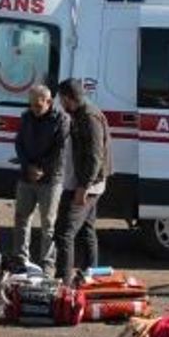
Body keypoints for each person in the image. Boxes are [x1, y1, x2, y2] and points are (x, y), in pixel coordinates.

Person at [53, 78, 112, 285]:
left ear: (68, 98)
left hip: (87, 184)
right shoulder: (79, 114)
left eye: (61, 98)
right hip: (84, 182)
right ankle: (91, 275)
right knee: (86, 230)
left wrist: (83, 187)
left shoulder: (89, 116)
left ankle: (63, 282)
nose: (59, 103)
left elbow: (95, 155)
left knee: (64, 233)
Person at [11, 84, 70, 277]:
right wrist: (28, 166)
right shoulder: (26, 117)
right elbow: (19, 143)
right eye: (31, 105)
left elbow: (59, 150)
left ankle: (47, 265)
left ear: (49, 102)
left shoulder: (61, 120)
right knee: (21, 218)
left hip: (50, 179)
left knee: (48, 223)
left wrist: (41, 169)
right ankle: (19, 260)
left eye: (38, 105)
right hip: (26, 176)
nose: (34, 110)